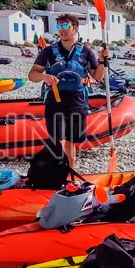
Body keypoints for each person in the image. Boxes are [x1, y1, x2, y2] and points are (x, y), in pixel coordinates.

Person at [27, 14, 100, 168]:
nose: (62, 30)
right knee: (57, 141)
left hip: (77, 102)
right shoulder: (49, 51)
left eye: (65, 26)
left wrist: (103, 61)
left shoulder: (86, 51)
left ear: (75, 28)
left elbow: (97, 76)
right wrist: (44, 76)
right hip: (55, 102)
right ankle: (57, 173)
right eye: (59, 27)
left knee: (71, 142)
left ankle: (71, 172)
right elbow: (32, 75)